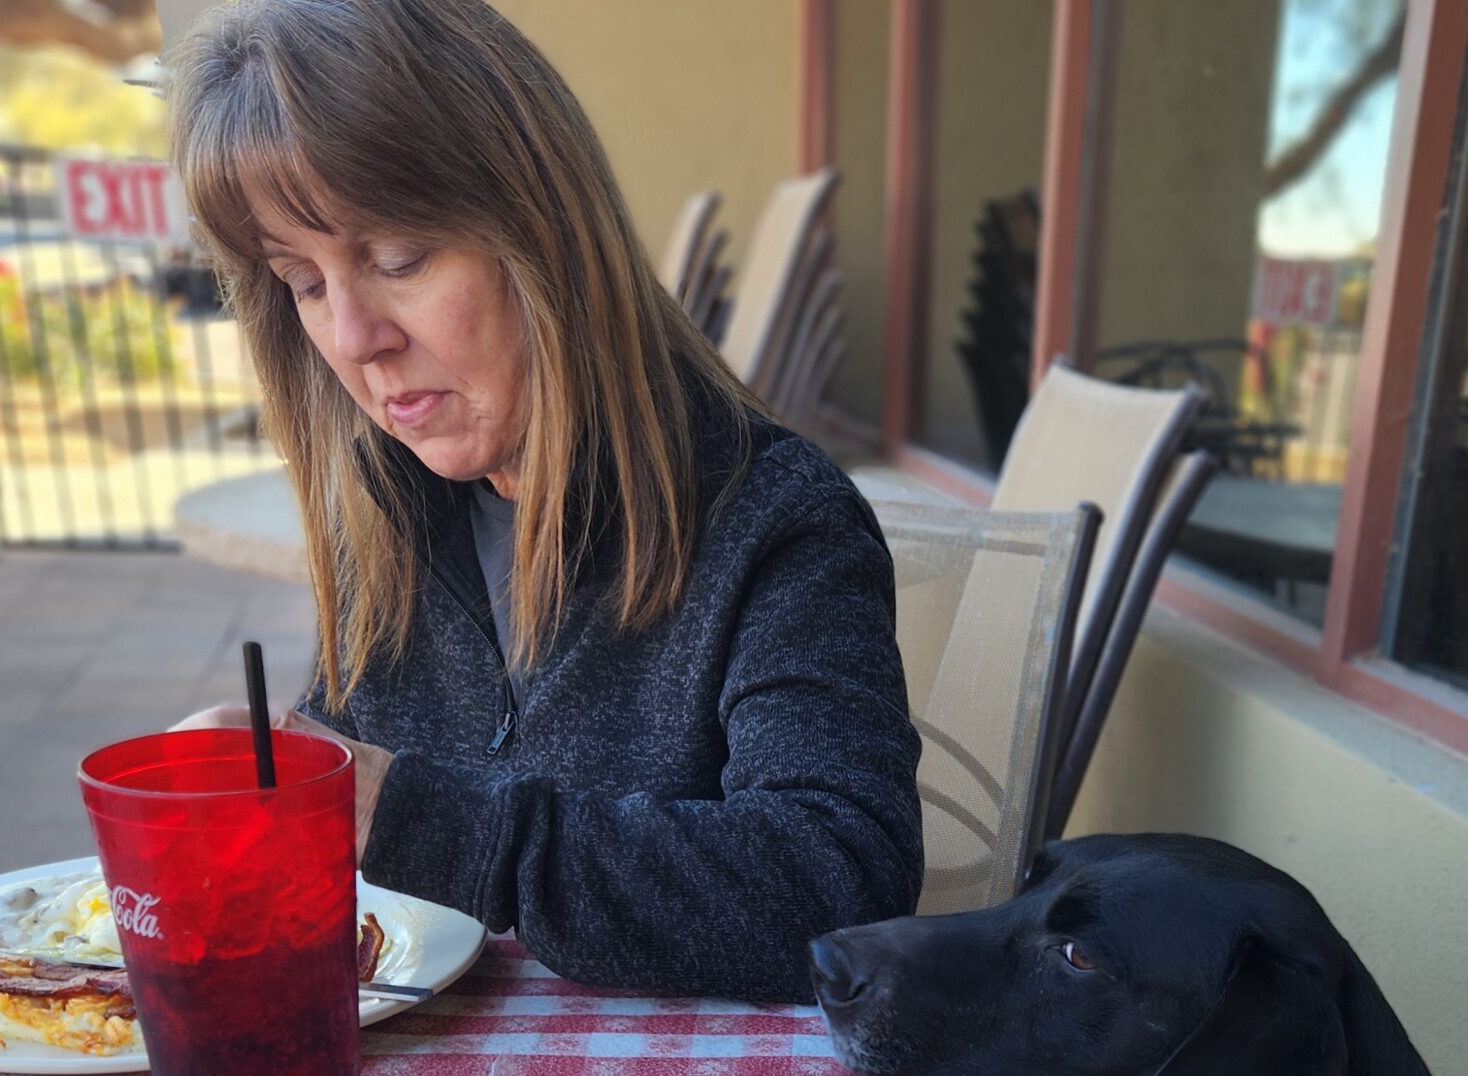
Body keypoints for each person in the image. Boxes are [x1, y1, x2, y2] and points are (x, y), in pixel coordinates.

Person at [165, 0, 921, 1004]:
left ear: (547, 235)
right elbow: (362, 813)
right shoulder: (392, 505)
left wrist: (401, 816)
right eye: (302, 281)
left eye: (398, 258)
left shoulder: (773, 521)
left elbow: (838, 889)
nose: (352, 336)